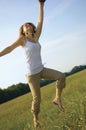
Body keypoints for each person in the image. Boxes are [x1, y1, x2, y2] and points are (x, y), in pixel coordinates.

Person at [0, 0, 66, 129]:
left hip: (41, 69)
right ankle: (35, 120)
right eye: (25, 25)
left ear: (32, 27)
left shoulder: (36, 37)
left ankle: (57, 99)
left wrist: (41, 5)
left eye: (29, 24)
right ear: (23, 31)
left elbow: (41, 21)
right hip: (32, 75)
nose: (28, 25)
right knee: (37, 100)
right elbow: (9, 48)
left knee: (61, 76)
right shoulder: (22, 40)